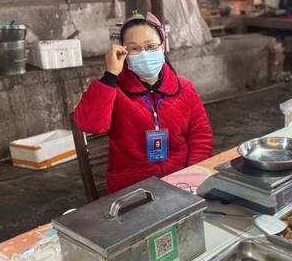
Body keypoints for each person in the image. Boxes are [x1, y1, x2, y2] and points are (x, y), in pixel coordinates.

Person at [73, 12, 213, 193]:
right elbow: (90, 124)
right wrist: (109, 76)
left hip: (180, 183)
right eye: (134, 49)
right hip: (133, 190)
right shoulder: (112, 91)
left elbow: (200, 135)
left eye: (151, 46)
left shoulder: (184, 88)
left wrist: (192, 177)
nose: (144, 54)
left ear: (162, 48)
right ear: (123, 52)